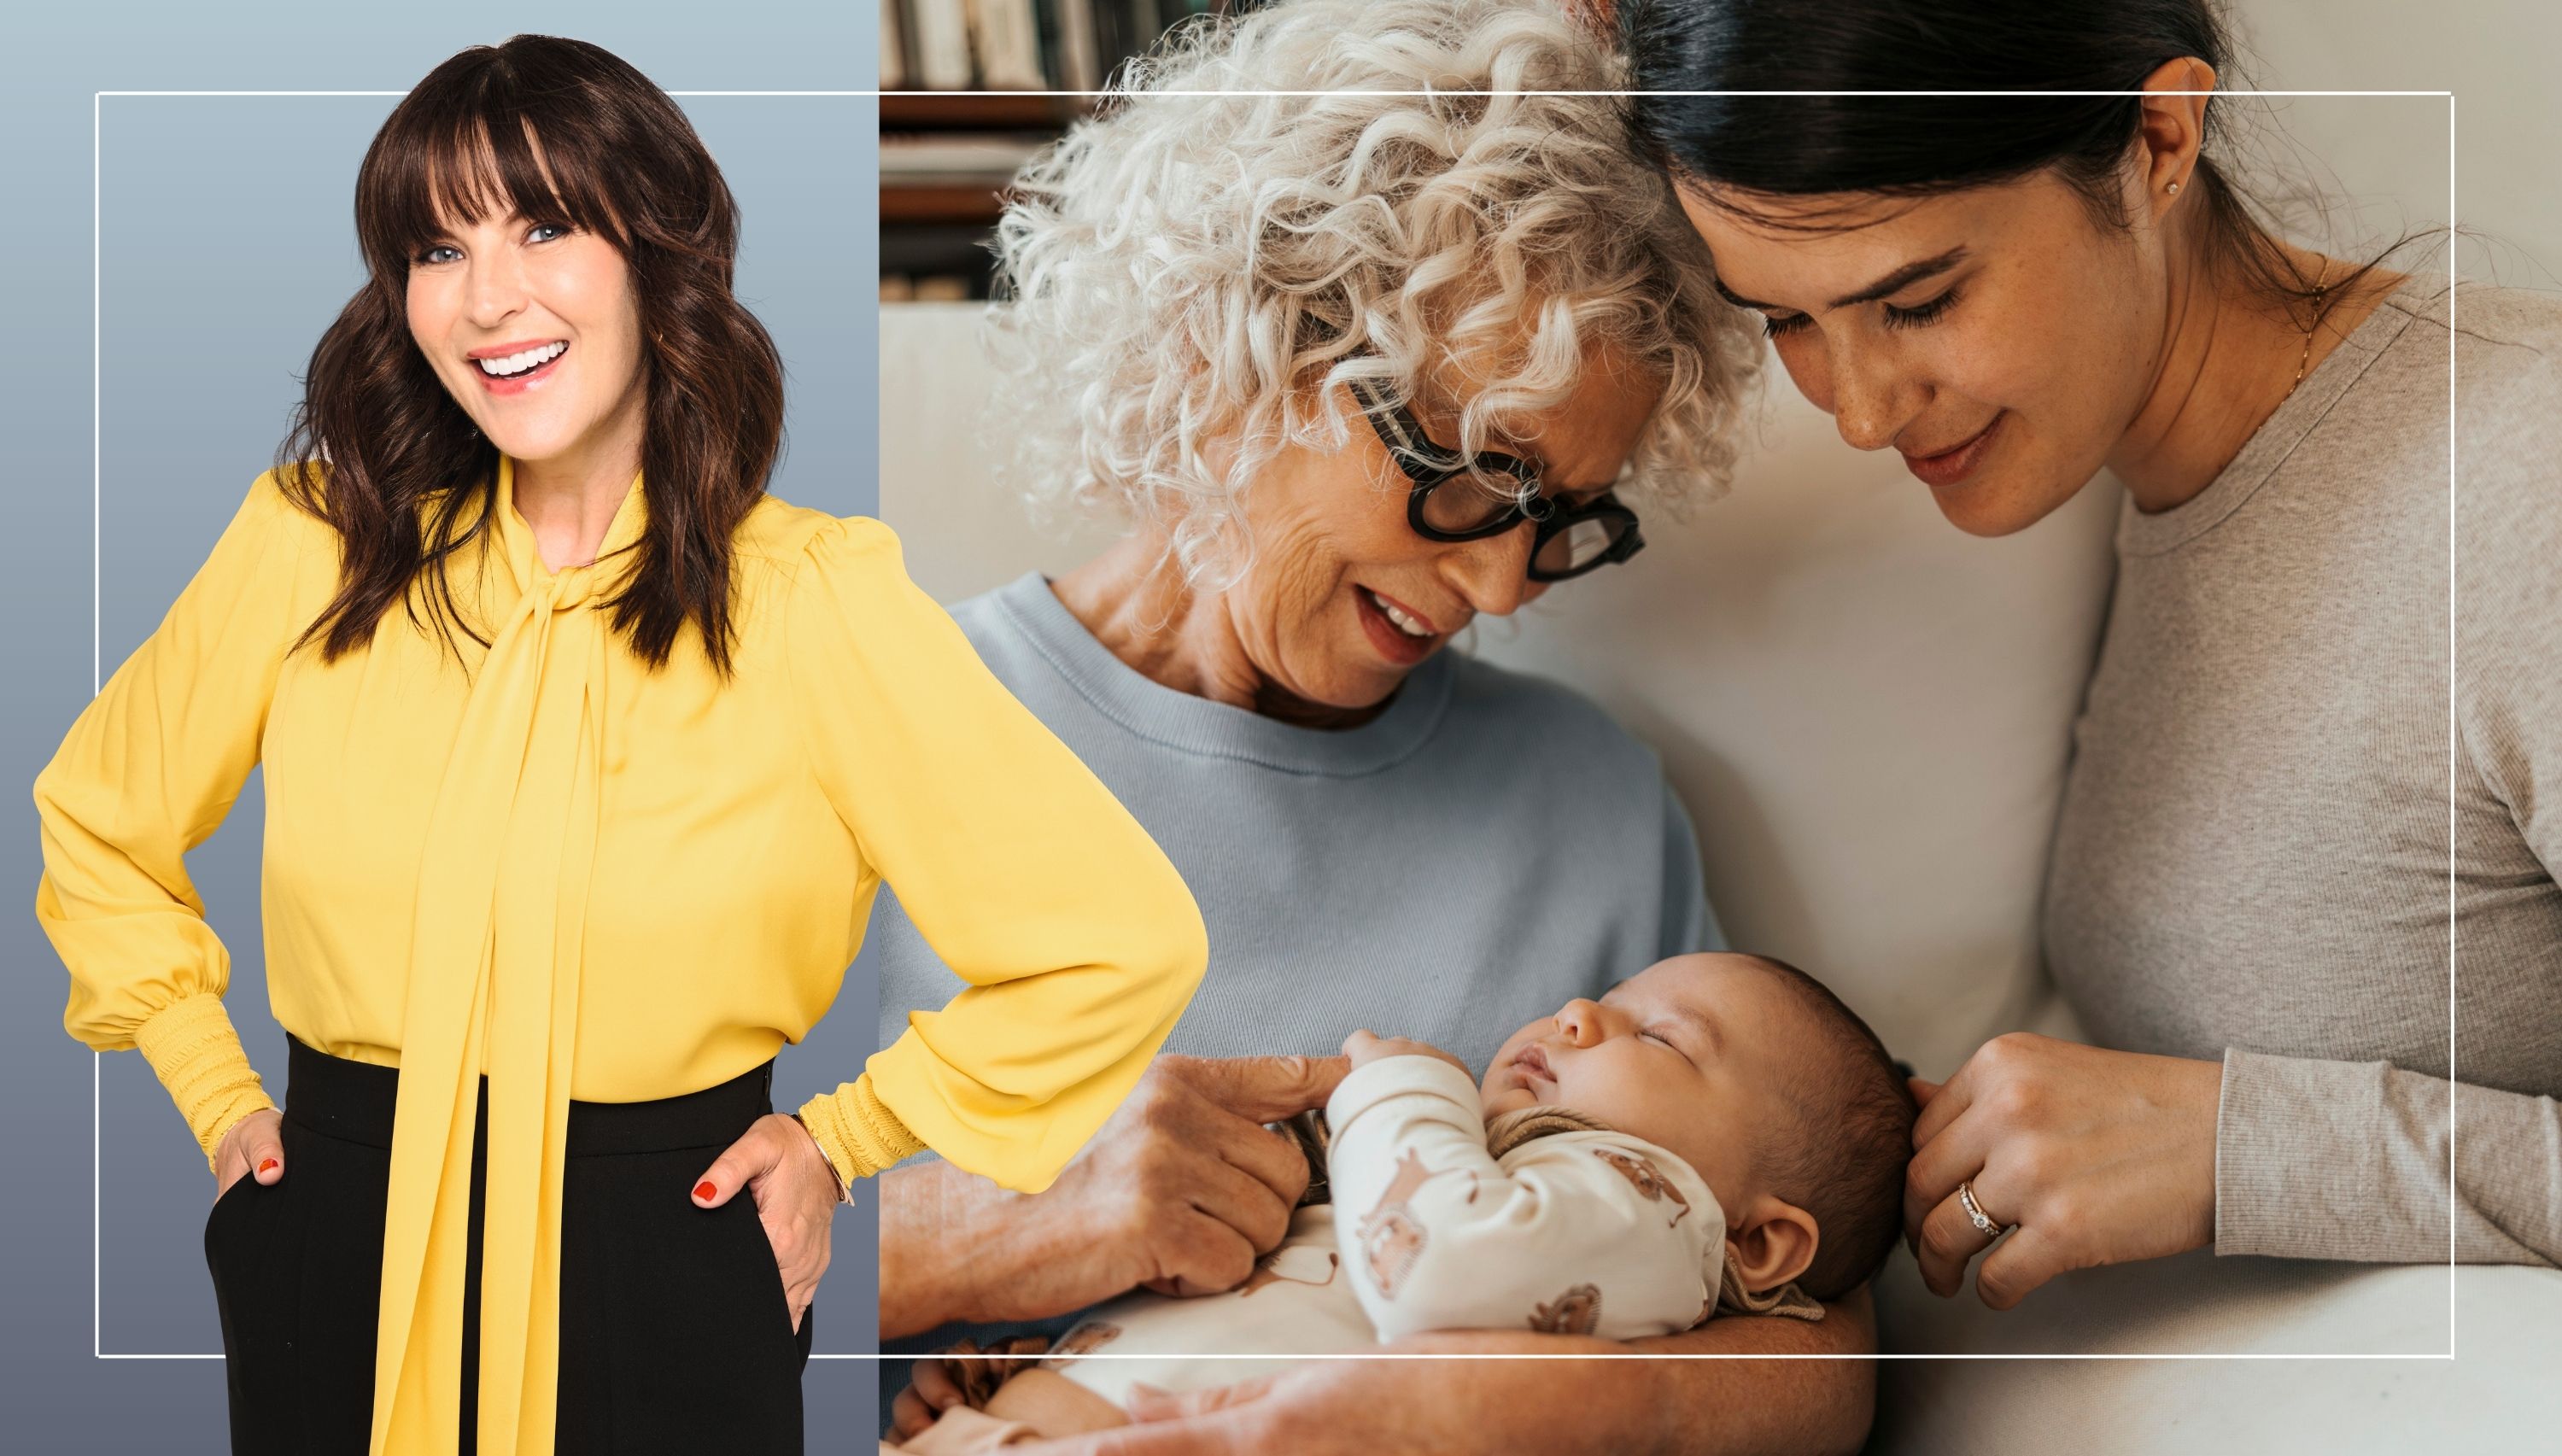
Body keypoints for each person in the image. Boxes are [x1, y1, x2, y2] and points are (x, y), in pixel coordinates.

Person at [33, 34, 1205, 1456]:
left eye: (543, 225)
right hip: (340, 1247)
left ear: (656, 253)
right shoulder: (312, 546)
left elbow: (1108, 936)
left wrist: (846, 1139)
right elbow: (99, 821)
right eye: (435, 248)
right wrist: (215, 1093)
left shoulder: (811, 600)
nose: (488, 298)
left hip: (671, 1260)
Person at [871, 4, 1884, 1453]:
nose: (1497, 584)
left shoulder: (1582, 809)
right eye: (1471, 469)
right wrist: (963, 1234)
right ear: (1244, 338)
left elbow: (1816, 1335)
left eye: (1559, 517)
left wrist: (1485, 1406)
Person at [1623, 0, 2560, 1310]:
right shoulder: (2144, 485)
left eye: (1920, 298)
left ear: (2160, 136)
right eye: (1786, 322)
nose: (1862, 410)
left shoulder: (2525, 485)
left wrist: (2248, 1151)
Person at [886, 952, 1917, 1453]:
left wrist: (1402, 1085)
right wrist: (1060, 1357)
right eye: (1609, 996)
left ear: (1761, 1240)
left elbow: (1434, 1268)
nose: (1579, 1010)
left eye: (1662, 1036)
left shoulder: (1660, 1207)